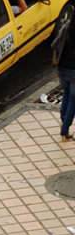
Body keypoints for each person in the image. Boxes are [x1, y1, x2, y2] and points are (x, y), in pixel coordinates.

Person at [54, 9, 75, 141]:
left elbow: (55, 44)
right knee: (73, 100)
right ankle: (65, 130)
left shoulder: (66, 27)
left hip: (63, 68)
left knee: (66, 94)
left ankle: (63, 119)